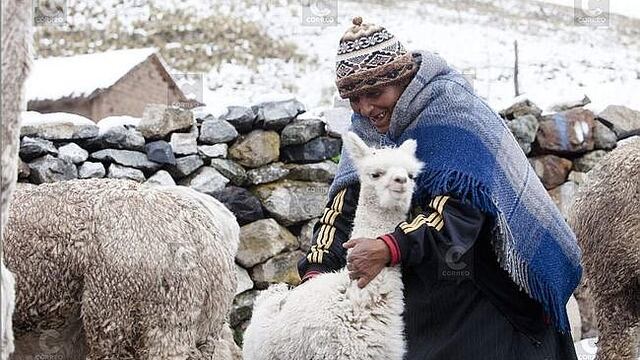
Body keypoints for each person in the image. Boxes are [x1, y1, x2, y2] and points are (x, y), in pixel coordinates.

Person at [297, 16, 582, 359]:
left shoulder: (454, 114)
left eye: (374, 93)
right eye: (354, 99)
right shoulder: (367, 131)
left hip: (487, 286)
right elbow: (344, 206)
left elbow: (459, 213)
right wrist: (315, 273)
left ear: (401, 81)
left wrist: (389, 247)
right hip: (421, 283)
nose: (366, 108)